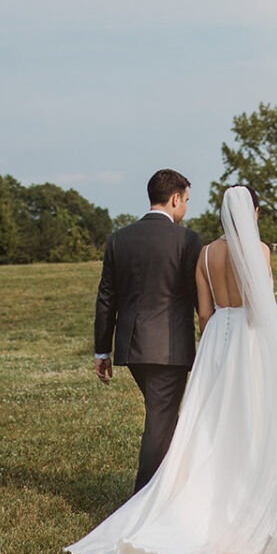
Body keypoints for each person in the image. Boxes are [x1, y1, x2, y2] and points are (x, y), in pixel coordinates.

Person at [66, 185, 277, 554]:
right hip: (251, 341)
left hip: (218, 342)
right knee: (258, 418)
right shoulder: (259, 249)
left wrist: (220, 342)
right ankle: (256, 494)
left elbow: (205, 315)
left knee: (212, 423)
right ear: (252, 212)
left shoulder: (205, 254)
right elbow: (259, 304)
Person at [93, 169, 204, 493]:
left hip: (131, 347)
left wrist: (103, 350)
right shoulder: (186, 239)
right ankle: (144, 501)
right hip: (169, 349)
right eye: (185, 200)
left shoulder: (119, 238)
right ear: (174, 199)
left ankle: (177, 486)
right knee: (160, 422)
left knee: (164, 418)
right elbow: (199, 295)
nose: (185, 207)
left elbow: (106, 297)